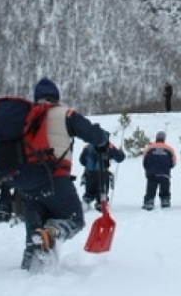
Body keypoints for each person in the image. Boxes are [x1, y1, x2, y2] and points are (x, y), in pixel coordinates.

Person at [18, 78, 111, 270]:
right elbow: (95, 136)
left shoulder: (24, 118)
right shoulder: (66, 115)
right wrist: (103, 139)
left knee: (34, 232)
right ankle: (53, 232)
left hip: (27, 183)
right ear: (56, 98)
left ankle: (30, 269)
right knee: (75, 219)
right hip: (55, 179)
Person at [79, 141, 126, 211]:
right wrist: (121, 151)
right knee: (101, 193)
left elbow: (82, 160)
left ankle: (86, 202)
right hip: (102, 175)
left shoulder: (88, 146)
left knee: (89, 192)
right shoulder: (108, 145)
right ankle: (101, 205)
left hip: (89, 174)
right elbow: (120, 158)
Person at [141, 131, 176, 210]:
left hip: (152, 173)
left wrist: (147, 169)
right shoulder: (169, 148)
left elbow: (144, 160)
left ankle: (149, 201)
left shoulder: (149, 148)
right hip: (164, 172)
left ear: (156, 138)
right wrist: (169, 167)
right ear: (164, 138)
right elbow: (173, 161)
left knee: (151, 188)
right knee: (165, 187)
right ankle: (165, 200)